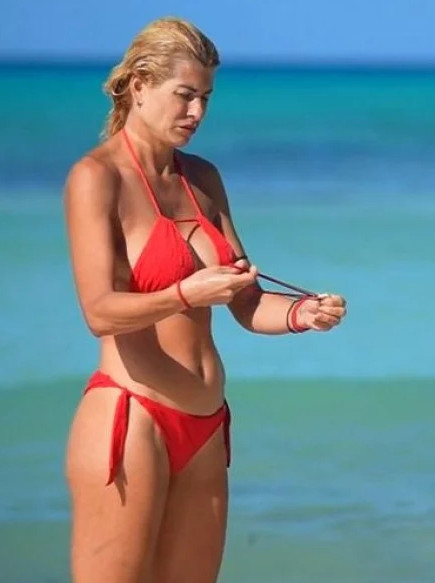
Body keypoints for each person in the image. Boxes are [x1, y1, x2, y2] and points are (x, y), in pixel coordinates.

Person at [63, 17, 347, 583]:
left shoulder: (203, 178)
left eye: (206, 99)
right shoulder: (97, 177)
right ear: (139, 86)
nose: (197, 113)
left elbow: (247, 302)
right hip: (133, 415)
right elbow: (99, 311)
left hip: (206, 427)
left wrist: (302, 314)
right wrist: (183, 293)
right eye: (185, 95)